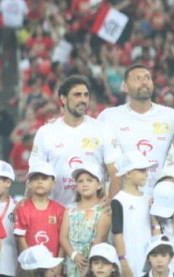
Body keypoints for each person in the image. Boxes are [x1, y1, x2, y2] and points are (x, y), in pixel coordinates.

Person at [29, 76, 117, 207]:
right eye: (77, 95)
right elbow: (35, 172)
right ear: (63, 99)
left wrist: (111, 199)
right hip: (57, 212)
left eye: (86, 95)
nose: (83, 100)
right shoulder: (46, 132)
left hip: (94, 213)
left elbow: (115, 171)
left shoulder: (102, 129)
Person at [97, 64, 174, 195]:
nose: (144, 82)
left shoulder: (171, 116)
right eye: (137, 78)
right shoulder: (108, 117)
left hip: (160, 199)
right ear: (125, 87)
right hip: (123, 200)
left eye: (147, 78)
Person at [59, 165, 110, 277]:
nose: (84, 184)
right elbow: (63, 237)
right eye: (80, 181)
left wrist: (90, 263)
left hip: (94, 261)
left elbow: (100, 237)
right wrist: (74, 255)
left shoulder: (104, 210)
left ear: (99, 185)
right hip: (73, 262)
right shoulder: (69, 209)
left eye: (89, 180)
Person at [112, 151, 154, 277]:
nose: (146, 174)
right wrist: (123, 263)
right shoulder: (118, 200)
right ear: (128, 173)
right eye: (141, 170)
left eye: (146, 170)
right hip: (130, 263)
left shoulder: (149, 199)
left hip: (149, 262)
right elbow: (117, 233)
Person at [15, 160, 64, 256]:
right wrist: (29, 262)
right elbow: (21, 239)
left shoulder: (60, 210)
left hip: (53, 265)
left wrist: (58, 264)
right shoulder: (22, 208)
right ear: (29, 184)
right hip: (30, 266)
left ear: (53, 183)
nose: (40, 181)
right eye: (35, 178)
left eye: (44, 178)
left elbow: (63, 240)